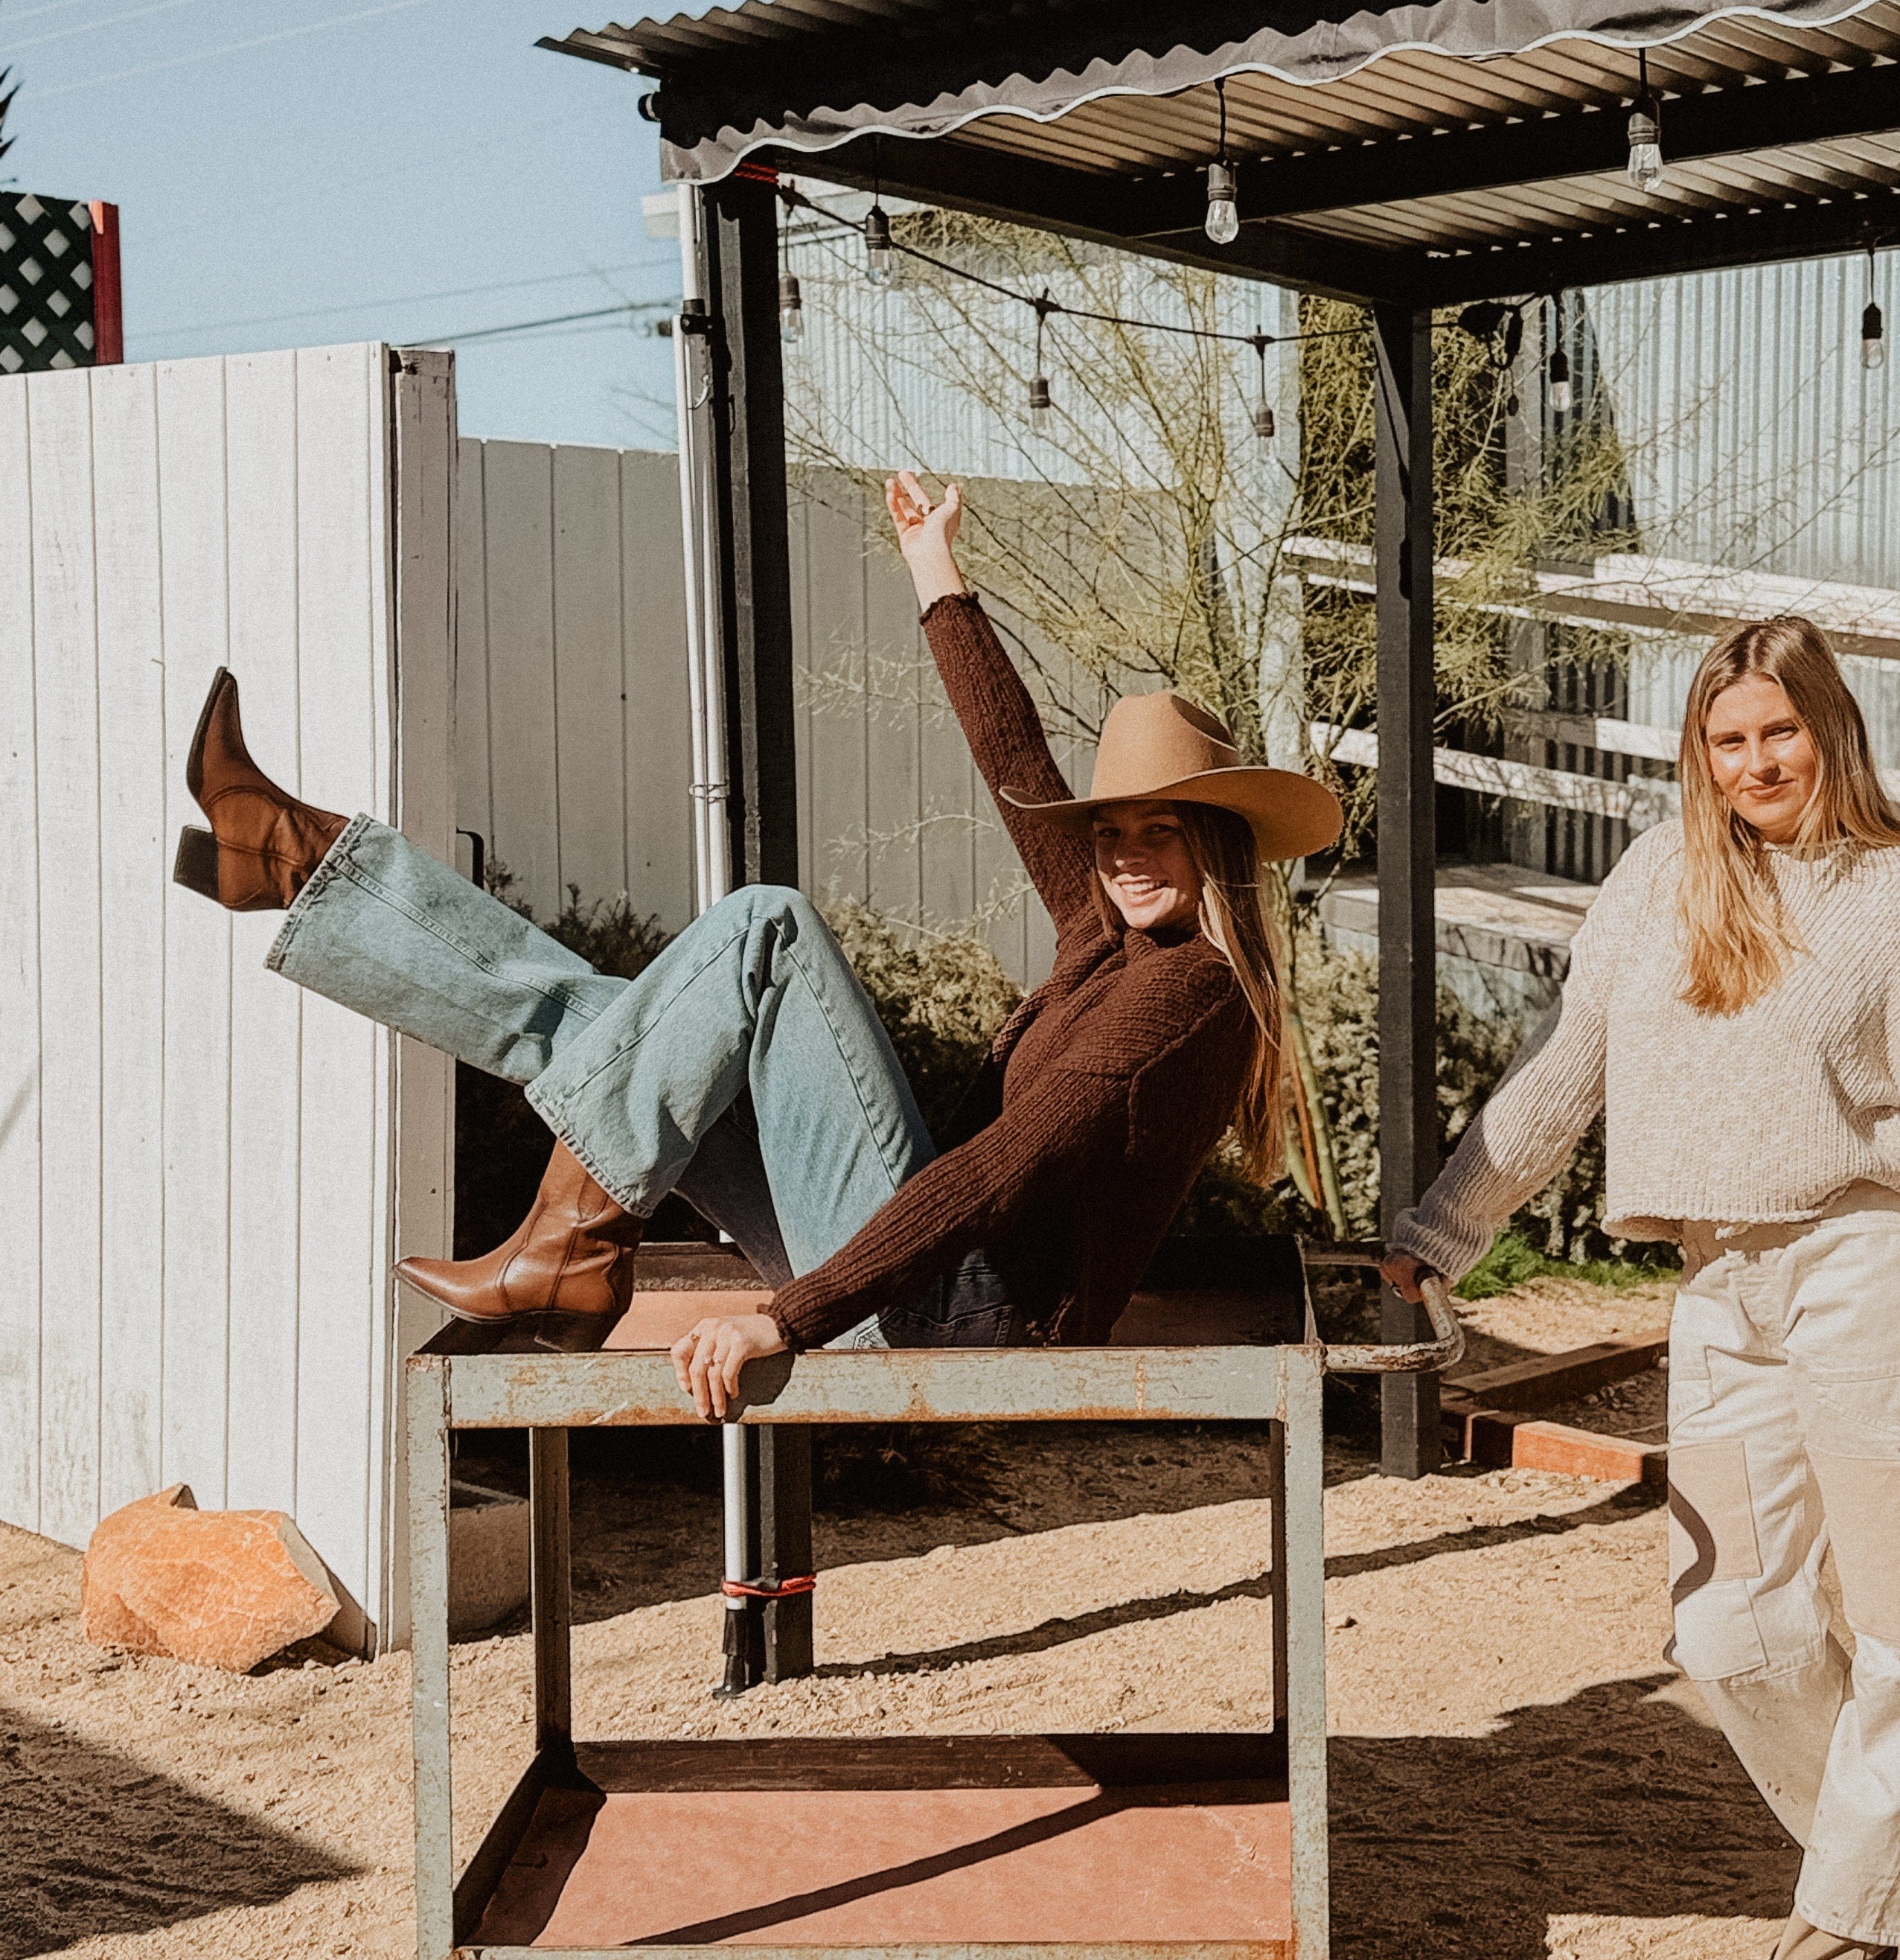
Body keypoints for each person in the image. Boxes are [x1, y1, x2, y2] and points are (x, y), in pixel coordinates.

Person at [173, 469, 1340, 1417]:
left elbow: (997, 1172)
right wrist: (934, 561)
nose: (1128, 854)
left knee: (765, 930)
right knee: (617, 1035)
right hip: (932, 1280)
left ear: (1217, 849)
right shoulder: (1111, 938)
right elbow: (1015, 768)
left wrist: (785, 1318)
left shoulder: (1190, 993)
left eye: (1161, 835)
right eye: (1115, 832)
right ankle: (297, 858)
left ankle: (570, 1240)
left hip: (962, 1313)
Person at [1383, 616, 1900, 1960]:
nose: (1754, 765)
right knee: (1730, 1619)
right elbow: (1563, 1081)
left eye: (1778, 734)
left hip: (1879, 1274)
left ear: (1831, 729)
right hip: (1720, 1286)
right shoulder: (1658, 882)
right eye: (1727, 741)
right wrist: (1438, 1232)